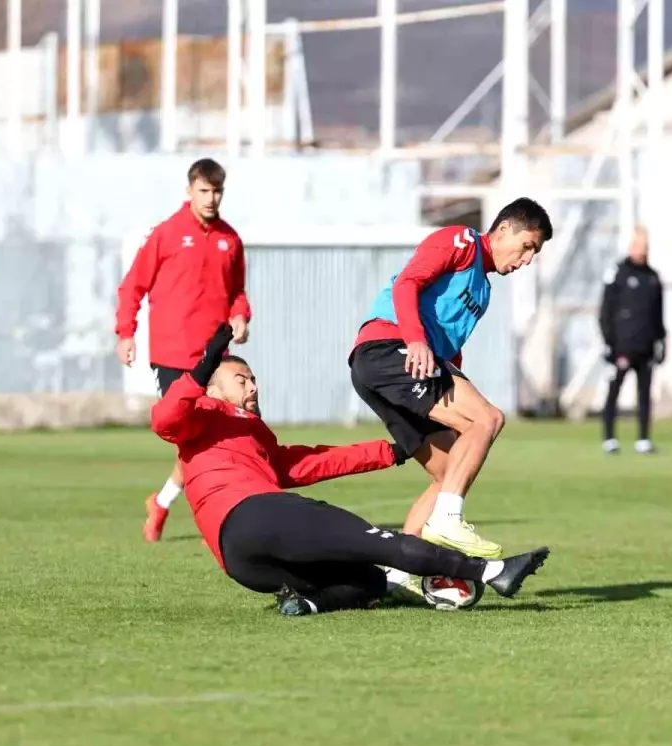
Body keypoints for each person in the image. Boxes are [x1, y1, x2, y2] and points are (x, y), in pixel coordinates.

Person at [151, 324, 552, 616]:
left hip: (242, 563)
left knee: (369, 582)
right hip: (255, 513)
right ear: (215, 390)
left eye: (254, 379)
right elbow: (165, 419)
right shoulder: (200, 413)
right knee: (378, 543)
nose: (253, 387)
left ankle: (306, 603)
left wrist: (392, 451)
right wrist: (203, 368)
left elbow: (309, 463)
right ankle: (491, 571)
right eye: (242, 380)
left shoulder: (255, 434)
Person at [348, 198, 554, 560]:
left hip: (402, 366)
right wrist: (413, 339)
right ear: (504, 228)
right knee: (488, 418)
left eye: (533, 254)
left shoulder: (483, 291)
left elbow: (449, 353)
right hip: (389, 348)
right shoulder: (461, 241)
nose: (526, 260)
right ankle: (448, 520)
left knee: (450, 470)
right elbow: (407, 283)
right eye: (527, 247)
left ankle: (402, 569)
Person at [115, 158, 251, 542]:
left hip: (218, 356)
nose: (211, 198)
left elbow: (236, 291)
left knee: (221, 435)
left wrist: (240, 315)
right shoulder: (167, 234)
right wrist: (126, 333)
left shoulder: (230, 239)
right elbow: (133, 286)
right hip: (174, 355)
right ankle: (169, 503)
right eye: (204, 191)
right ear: (189, 191)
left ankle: (168, 503)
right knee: (192, 438)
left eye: (217, 191)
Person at [599, 225, 667, 455]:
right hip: (622, 346)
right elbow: (605, 311)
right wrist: (608, 342)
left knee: (645, 395)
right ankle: (609, 438)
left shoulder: (653, 277)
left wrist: (661, 340)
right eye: (638, 246)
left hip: (646, 346)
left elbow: (658, 313)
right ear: (631, 247)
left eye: (645, 247)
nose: (642, 251)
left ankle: (643, 439)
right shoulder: (617, 273)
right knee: (614, 391)